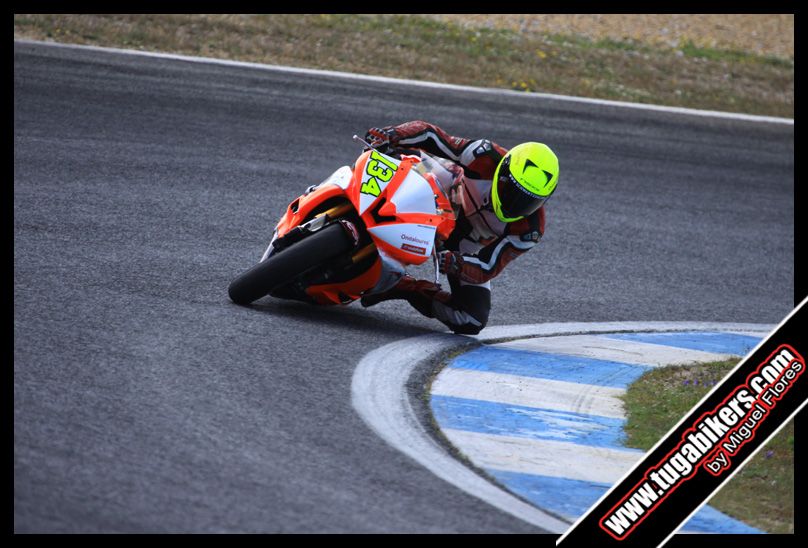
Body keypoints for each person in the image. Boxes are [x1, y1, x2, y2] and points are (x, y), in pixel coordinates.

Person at [359, 120, 559, 335]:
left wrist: (458, 264)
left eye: (530, 201)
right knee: (395, 152)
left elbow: (489, 266)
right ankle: (339, 194)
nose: (516, 205)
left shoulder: (529, 231)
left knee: (471, 320)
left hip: (465, 247)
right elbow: (432, 135)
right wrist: (392, 134)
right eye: (513, 191)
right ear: (503, 171)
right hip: (444, 188)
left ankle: (399, 285)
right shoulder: (484, 155)